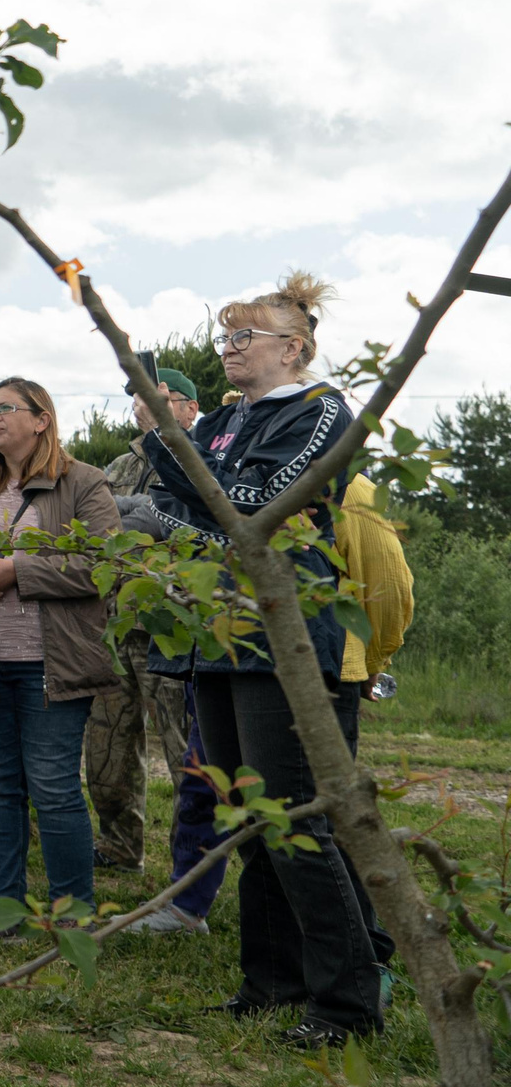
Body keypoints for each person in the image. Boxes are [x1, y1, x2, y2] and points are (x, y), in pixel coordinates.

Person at [143, 275, 391, 1044]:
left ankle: (348, 1001)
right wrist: (169, 443)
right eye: (224, 335)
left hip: (283, 634)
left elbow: (253, 506)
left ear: (293, 347)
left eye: (243, 335)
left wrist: (189, 473)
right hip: (216, 636)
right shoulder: (222, 419)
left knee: (295, 820)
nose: (228, 347)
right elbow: (185, 510)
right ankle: (273, 981)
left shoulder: (322, 412)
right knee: (250, 820)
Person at [132, 469, 417, 938]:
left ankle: (365, 950)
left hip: (314, 676)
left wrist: (371, 662)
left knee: (315, 822)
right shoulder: (231, 481)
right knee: (255, 819)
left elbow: (388, 587)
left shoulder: (348, 487)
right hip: (229, 671)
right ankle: (280, 959)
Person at [0, 379, 122, 944]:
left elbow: (105, 565)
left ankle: (74, 918)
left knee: (54, 788)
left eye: (5, 408)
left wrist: (16, 571)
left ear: (41, 419)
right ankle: (2, 913)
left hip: (52, 662)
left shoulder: (82, 481)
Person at [89, 367, 204, 867]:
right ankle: (118, 847)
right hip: (113, 626)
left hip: (170, 628)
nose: (142, 404)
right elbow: (94, 525)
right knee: (107, 748)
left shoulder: (200, 459)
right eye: (137, 398)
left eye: (159, 397)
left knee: (185, 755)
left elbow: (176, 523)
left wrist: (135, 520)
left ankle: (191, 865)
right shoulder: (118, 465)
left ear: (189, 408)